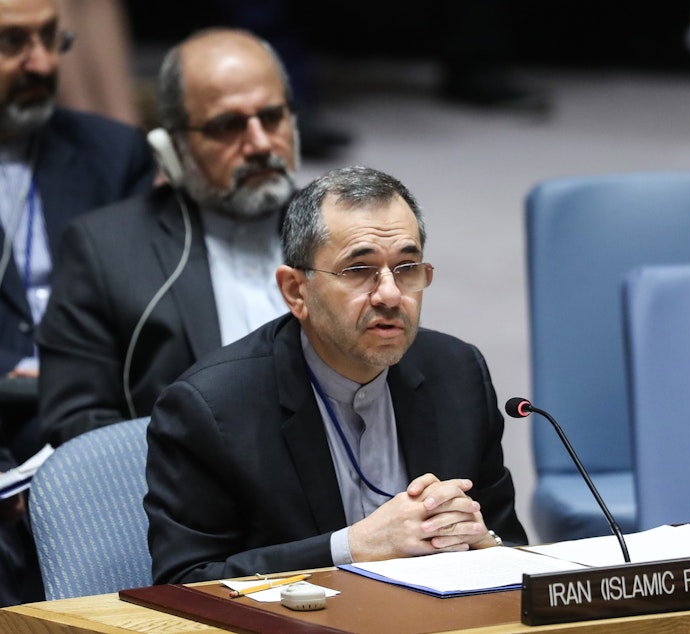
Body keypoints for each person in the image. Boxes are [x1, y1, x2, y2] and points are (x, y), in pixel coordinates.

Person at [144, 165, 526, 583]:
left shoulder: (458, 374)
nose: (390, 295)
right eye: (358, 270)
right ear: (295, 290)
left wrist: (482, 542)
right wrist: (350, 548)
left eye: (407, 267)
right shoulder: (213, 408)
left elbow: (509, 543)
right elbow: (184, 583)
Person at [36, 27, 299, 447]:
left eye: (271, 117)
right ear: (172, 149)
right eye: (227, 126)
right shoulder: (105, 250)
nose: (259, 143)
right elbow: (77, 422)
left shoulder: (341, 225)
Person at [0, 0, 156, 607]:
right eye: (14, 43)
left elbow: (141, 311)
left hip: (86, 407)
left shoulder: (113, 154)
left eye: (49, 38)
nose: (41, 62)